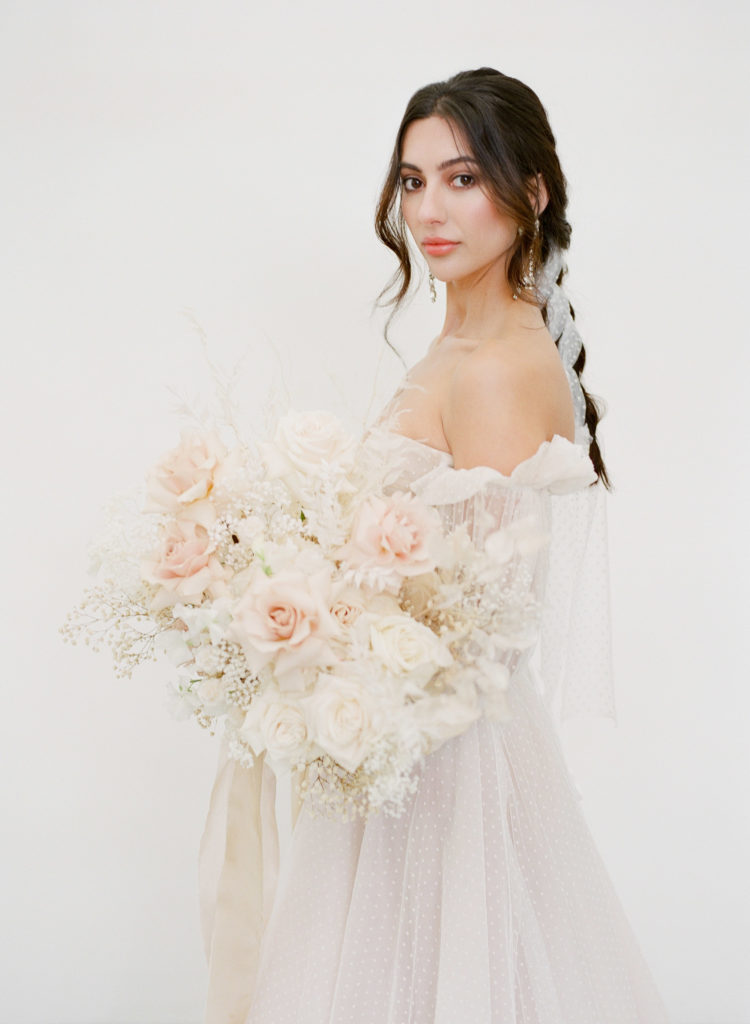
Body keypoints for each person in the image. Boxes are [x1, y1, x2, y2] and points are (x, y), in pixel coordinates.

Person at [201, 68, 672, 1023]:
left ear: (532, 191)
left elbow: (480, 619)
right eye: (413, 181)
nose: (429, 208)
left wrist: (321, 617)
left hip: (448, 767)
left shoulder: (500, 366)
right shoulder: (452, 350)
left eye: (462, 178)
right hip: (401, 752)